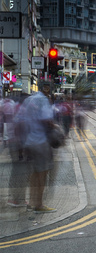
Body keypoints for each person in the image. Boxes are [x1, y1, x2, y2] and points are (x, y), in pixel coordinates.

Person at [16, 81, 56, 212]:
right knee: (42, 173)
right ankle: (38, 205)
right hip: (41, 141)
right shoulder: (43, 100)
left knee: (34, 173)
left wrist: (22, 142)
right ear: (46, 89)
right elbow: (47, 120)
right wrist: (56, 127)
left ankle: (31, 201)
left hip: (29, 141)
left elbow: (19, 121)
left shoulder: (28, 100)